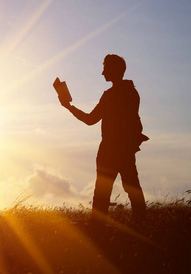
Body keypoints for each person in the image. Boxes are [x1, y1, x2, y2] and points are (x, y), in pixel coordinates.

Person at [58, 54, 149, 224]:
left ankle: (97, 228)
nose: (102, 73)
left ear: (114, 70)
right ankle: (141, 224)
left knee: (102, 192)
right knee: (132, 187)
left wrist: (69, 107)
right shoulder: (132, 92)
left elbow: (90, 120)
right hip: (126, 149)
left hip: (109, 150)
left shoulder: (110, 95)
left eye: (105, 68)